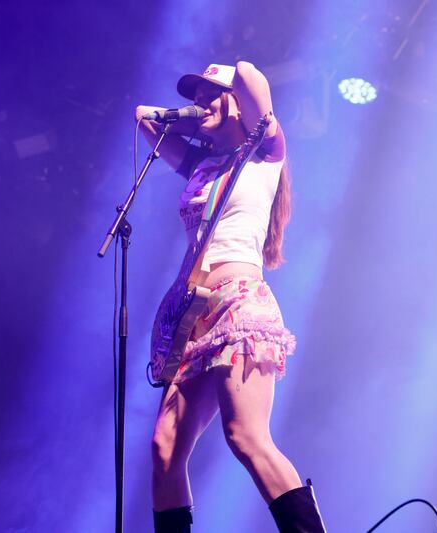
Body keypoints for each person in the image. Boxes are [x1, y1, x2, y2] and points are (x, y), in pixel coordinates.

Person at [136, 62, 325, 532]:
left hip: (238, 304)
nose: (201, 103)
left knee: (246, 436)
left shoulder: (264, 152)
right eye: (196, 97)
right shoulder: (202, 167)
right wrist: (187, 114)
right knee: (163, 447)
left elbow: (249, 75)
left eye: (210, 95)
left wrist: (226, 90)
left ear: (236, 103)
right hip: (194, 316)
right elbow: (142, 118)